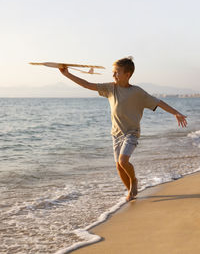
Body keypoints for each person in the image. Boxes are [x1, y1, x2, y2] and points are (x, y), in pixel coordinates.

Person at [59, 57, 187, 201]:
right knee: (119, 167)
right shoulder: (110, 88)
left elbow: (159, 102)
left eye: (116, 73)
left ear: (127, 74)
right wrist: (67, 74)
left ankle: (134, 181)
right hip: (116, 134)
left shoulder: (138, 92)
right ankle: (131, 193)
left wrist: (176, 112)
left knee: (123, 161)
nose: (113, 75)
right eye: (113, 72)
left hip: (131, 133)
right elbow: (87, 84)